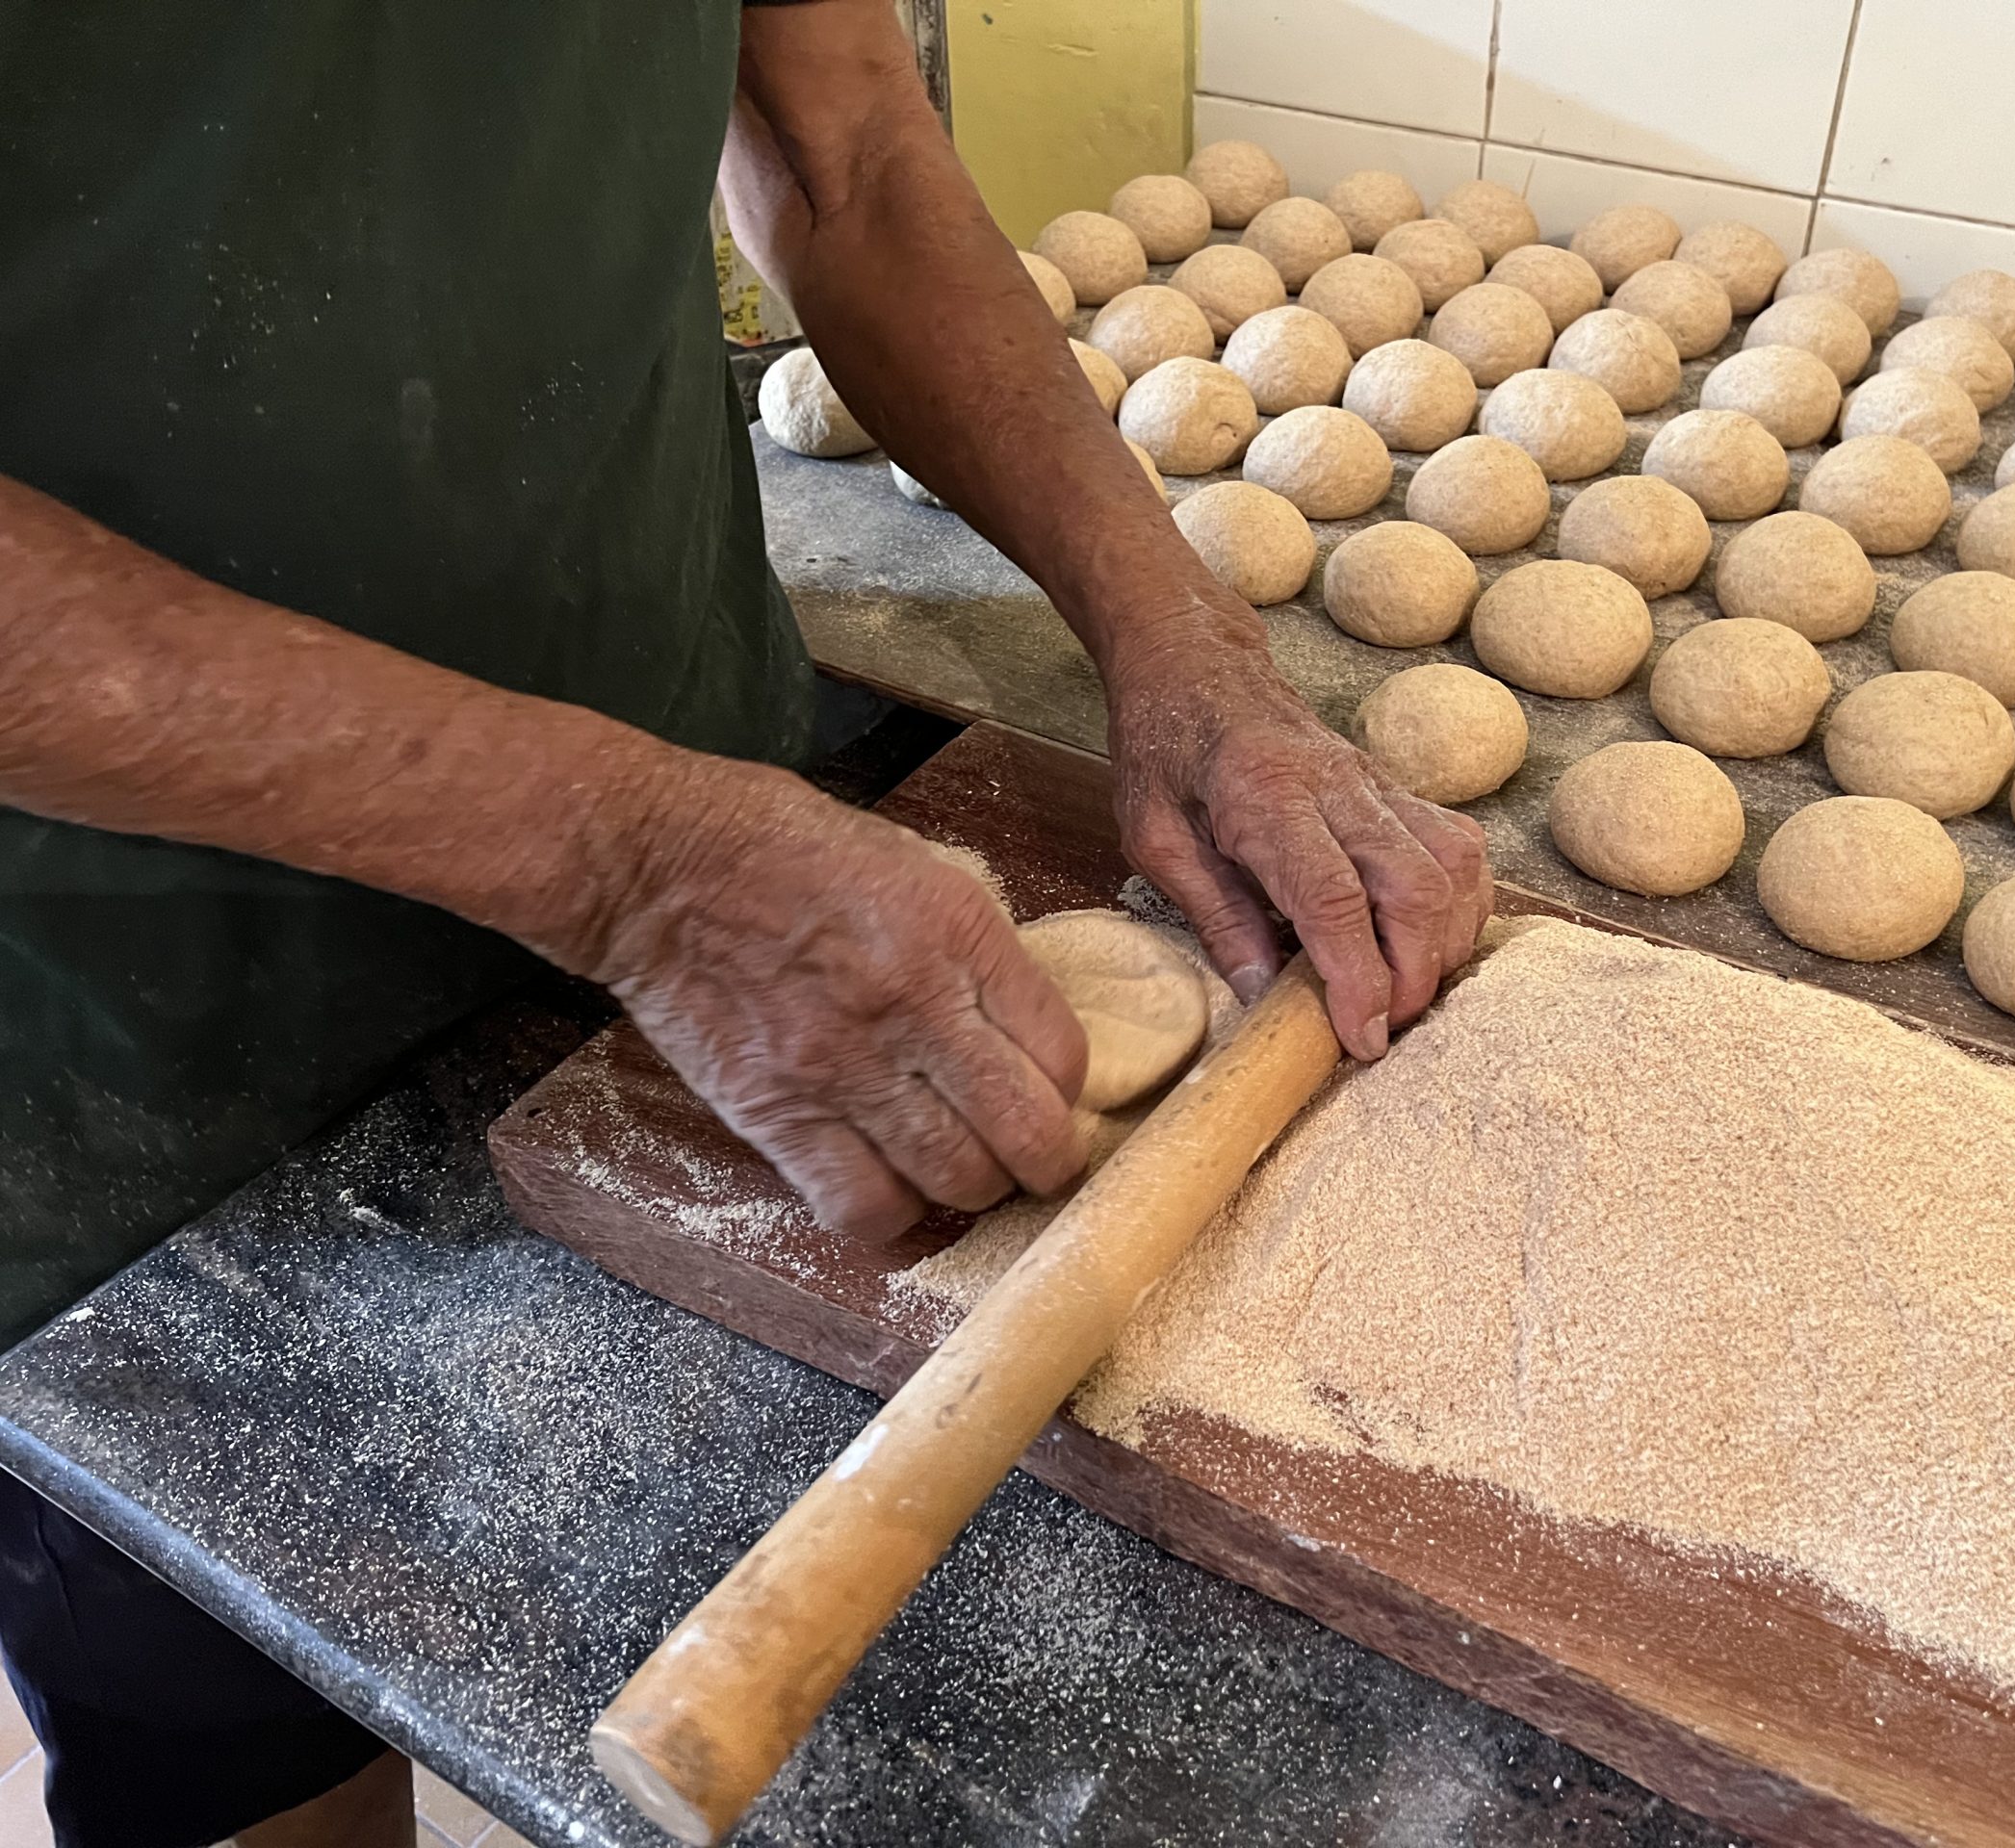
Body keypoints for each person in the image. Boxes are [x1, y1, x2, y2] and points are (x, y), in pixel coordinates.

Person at [0, 1, 1492, 1840]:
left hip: (692, 794)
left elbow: (846, 147)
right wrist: (624, 862)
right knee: (251, 1694)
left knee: (770, 1581)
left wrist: (1181, 638)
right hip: (111, 984)